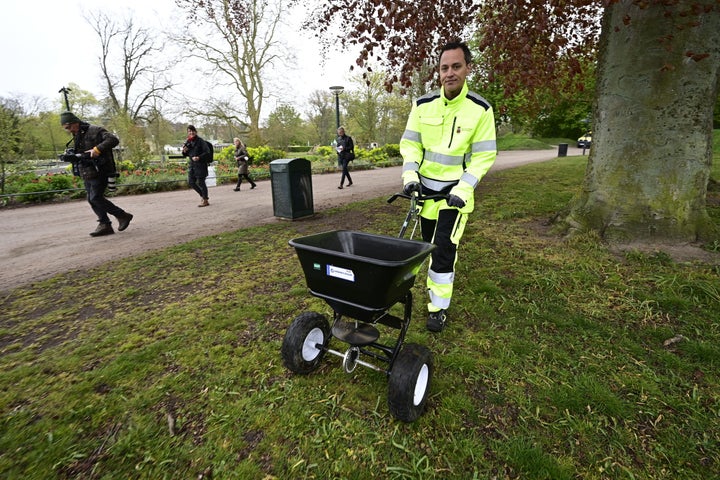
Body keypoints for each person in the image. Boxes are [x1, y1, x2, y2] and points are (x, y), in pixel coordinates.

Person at [400, 40, 497, 332]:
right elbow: (410, 145)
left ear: (468, 68)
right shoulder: (421, 106)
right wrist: (410, 178)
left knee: (443, 252)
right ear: (438, 72)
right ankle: (401, 294)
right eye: (444, 68)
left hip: (454, 198)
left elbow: (483, 156)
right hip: (424, 195)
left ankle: (437, 308)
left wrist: (463, 189)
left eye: (456, 66)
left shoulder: (480, 110)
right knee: (419, 249)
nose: (449, 73)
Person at [60, 111, 133, 237]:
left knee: (95, 197)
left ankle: (122, 215)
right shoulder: (77, 135)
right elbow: (83, 153)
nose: (68, 130)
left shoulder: (95, 130)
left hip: (101, 169)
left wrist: (97, 149)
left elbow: (113, 139)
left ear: (75, 123)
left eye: (69, 127)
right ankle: (105, 224)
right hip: (87, 171)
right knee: (91, 199)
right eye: (66, 129)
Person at [182, 125, 212, 207]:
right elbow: (185, 154)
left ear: (196, 131)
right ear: (188, 132)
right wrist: (184, 151)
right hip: (192, 165)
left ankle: (205, 200)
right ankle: (204, 196)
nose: (191, 132)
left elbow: (207, 152)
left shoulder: (200, 141)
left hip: (201, 165)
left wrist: (199, 157)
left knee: (201, 182)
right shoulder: (188, 141)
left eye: (192, 131)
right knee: (191, 182)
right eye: (189, 131)